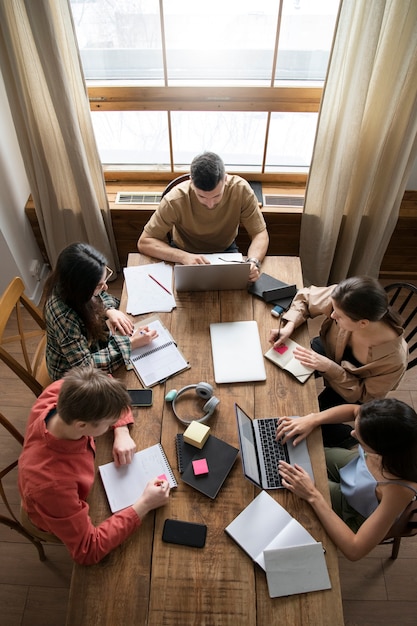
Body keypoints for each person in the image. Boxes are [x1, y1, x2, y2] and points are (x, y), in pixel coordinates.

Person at [18, 366, 171, 565]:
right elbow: (87, 549)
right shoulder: (52, 485)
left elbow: (106, 381)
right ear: (82, 426)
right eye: (108, 423)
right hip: (59, 512)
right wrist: (144, 504)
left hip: (80, 486)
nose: (112, 424)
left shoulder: (63, 391)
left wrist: (121, 430)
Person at [268, 276, 408, 447]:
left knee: (308, 420)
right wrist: (290, 325)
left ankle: (344, 438)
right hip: (328, 350)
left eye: (338, 316)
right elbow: (306, 296)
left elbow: (365, 397)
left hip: (349, 387)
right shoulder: (346, 299)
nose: (332, 314)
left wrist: (329, 368)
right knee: (279, 375)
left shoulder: (393, 360)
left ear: (363, 323)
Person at [276, 398, 417, 561]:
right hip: (357, 466)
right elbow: (354, 411)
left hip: (353, 506)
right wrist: (313, 418)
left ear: (381, 450)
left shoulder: (399, 490)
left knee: (289, 488)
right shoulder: (391, 429)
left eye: (359, 437)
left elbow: (355, 550)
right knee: (302, 453)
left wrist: (313, 495)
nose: (352, 433)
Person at [137, 151, 269, 282]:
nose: (210, 204)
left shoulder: (241, 190)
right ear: (191, 182)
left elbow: (260, 233)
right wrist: (183, 257)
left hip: (226, 251)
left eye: (217, 196)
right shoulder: (174, 199)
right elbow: (144, 242)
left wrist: (253, 261)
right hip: (183, 251)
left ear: (225, 179)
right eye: (202, 197)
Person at [44, 242, 158, 381]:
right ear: (81, 288)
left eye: (105, 279)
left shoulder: (72, 286)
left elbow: (100, 296)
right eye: (99, 285)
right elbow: (86, 368)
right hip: (71, 374)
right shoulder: (64, 316)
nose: (105, 287)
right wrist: (131, 343)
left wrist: (109, 310)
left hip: (91, 343)